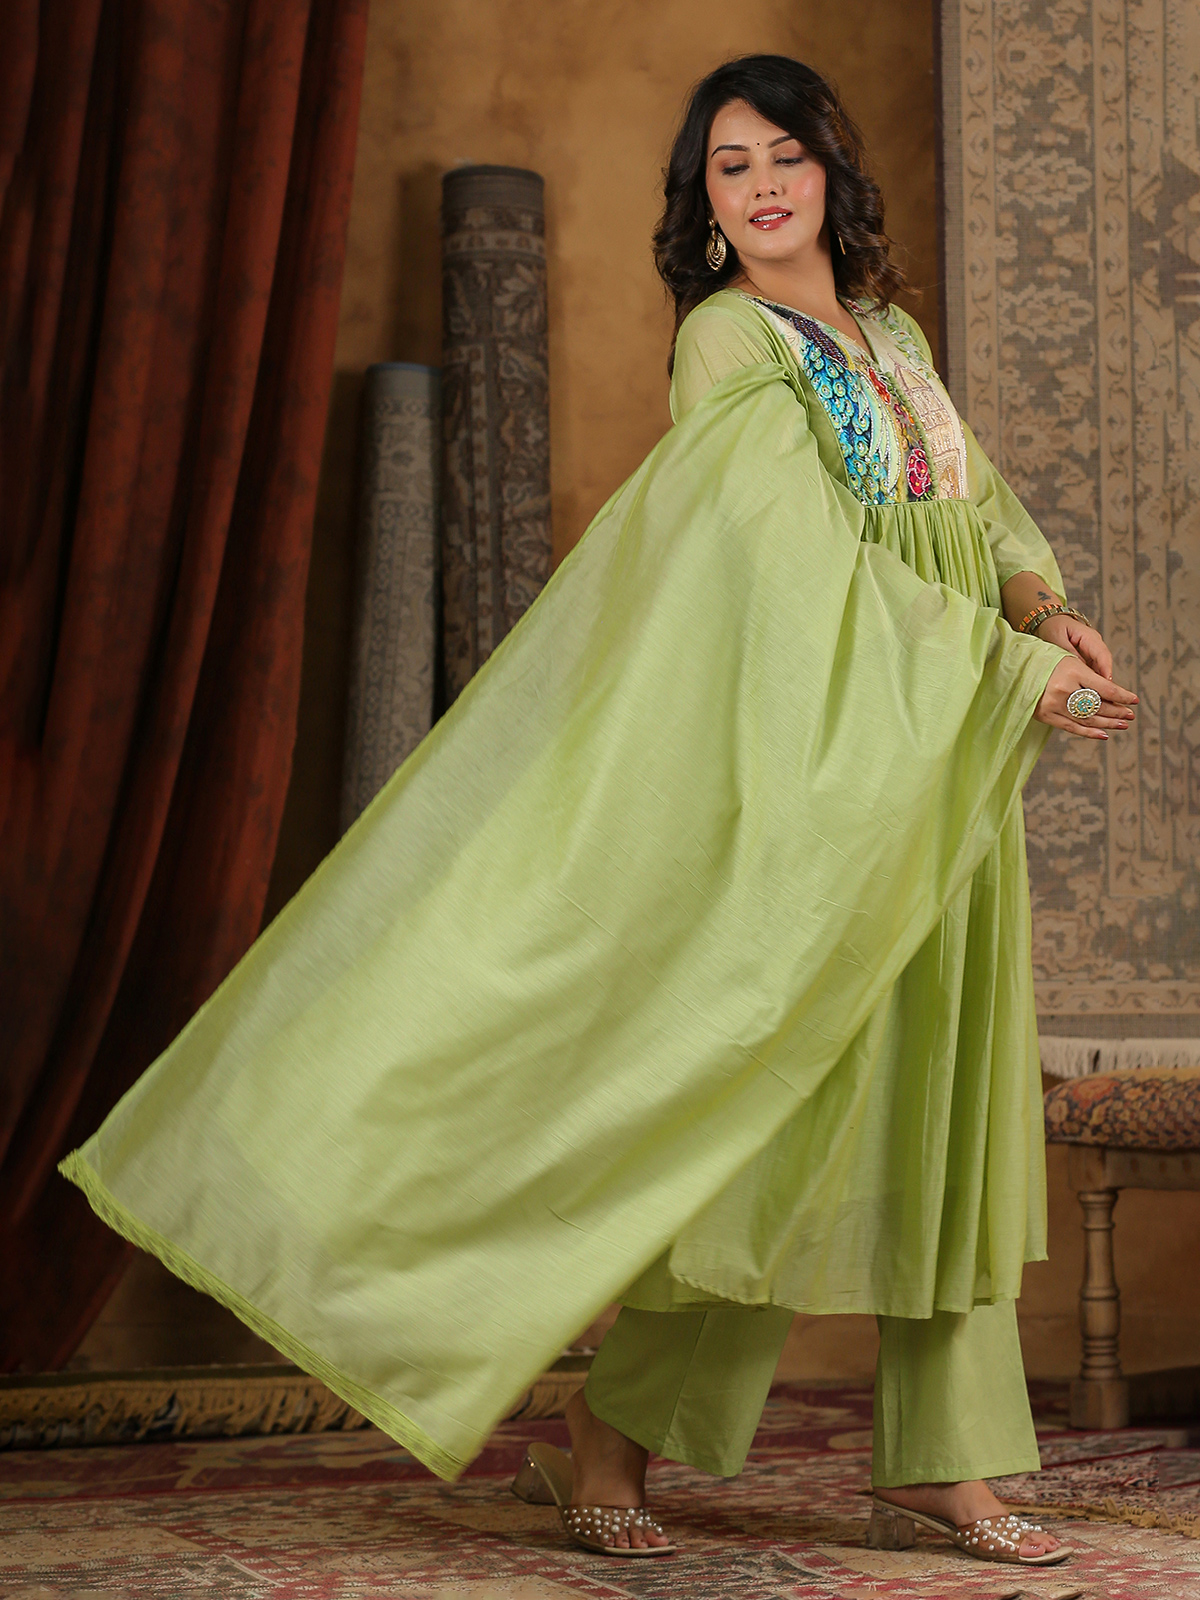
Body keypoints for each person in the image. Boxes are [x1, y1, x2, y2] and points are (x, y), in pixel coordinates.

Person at [63, 55, 1136, 1574]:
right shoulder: (728, 340)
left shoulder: (889, 334)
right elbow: (785, 561)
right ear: (705, 207)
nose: (761, 187)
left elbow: (981, 505)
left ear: (833, 170)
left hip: (941, 755)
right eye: (728, 169)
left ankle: (943, 1465)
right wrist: (1004, 665)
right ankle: (605, 1443)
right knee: (772, 1109)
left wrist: (1042, 607)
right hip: (816, 759)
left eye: (784, 155)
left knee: (939, 1104)